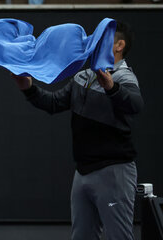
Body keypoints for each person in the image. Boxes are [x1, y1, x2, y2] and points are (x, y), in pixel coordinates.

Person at [13, 21, 144, 240]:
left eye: (103, 38)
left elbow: (136, 105)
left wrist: (111, 87)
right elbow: (53, 103)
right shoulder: (82, 77)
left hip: (114, 172)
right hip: (83, 173)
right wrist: (28, 88)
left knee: (118, 236)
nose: (94, 41)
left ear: (119, 45)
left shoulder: (124, 77)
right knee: (81, 236)